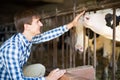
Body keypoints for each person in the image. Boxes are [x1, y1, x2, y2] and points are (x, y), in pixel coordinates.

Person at [0, 9, 85, 80]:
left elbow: (46, 36)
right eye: (37, 22)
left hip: (12, 75)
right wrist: (48, 79)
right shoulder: (12, 48)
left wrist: (71, 24)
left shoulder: (26, 38)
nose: (41, 24)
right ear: (27, 27)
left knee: (39, 68)